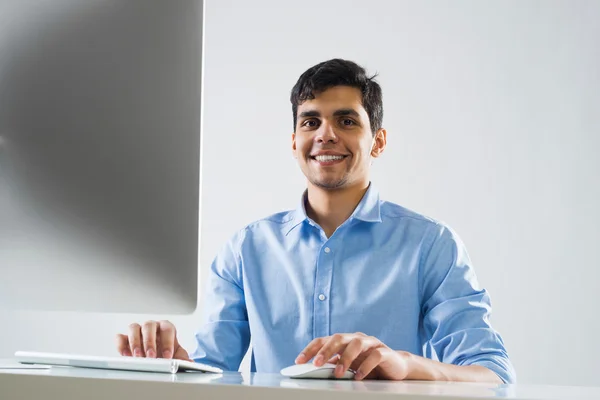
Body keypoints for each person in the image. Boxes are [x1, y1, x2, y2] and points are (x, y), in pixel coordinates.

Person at [116, 59, 516, 383]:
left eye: (346, 121)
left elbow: (494, 374)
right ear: (294, 141)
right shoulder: (246, 249)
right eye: (310, 122)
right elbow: (213, 374)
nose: (325, 135)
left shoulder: (431, 244)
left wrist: (407, 366)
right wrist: (170, 363)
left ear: (378, 141)